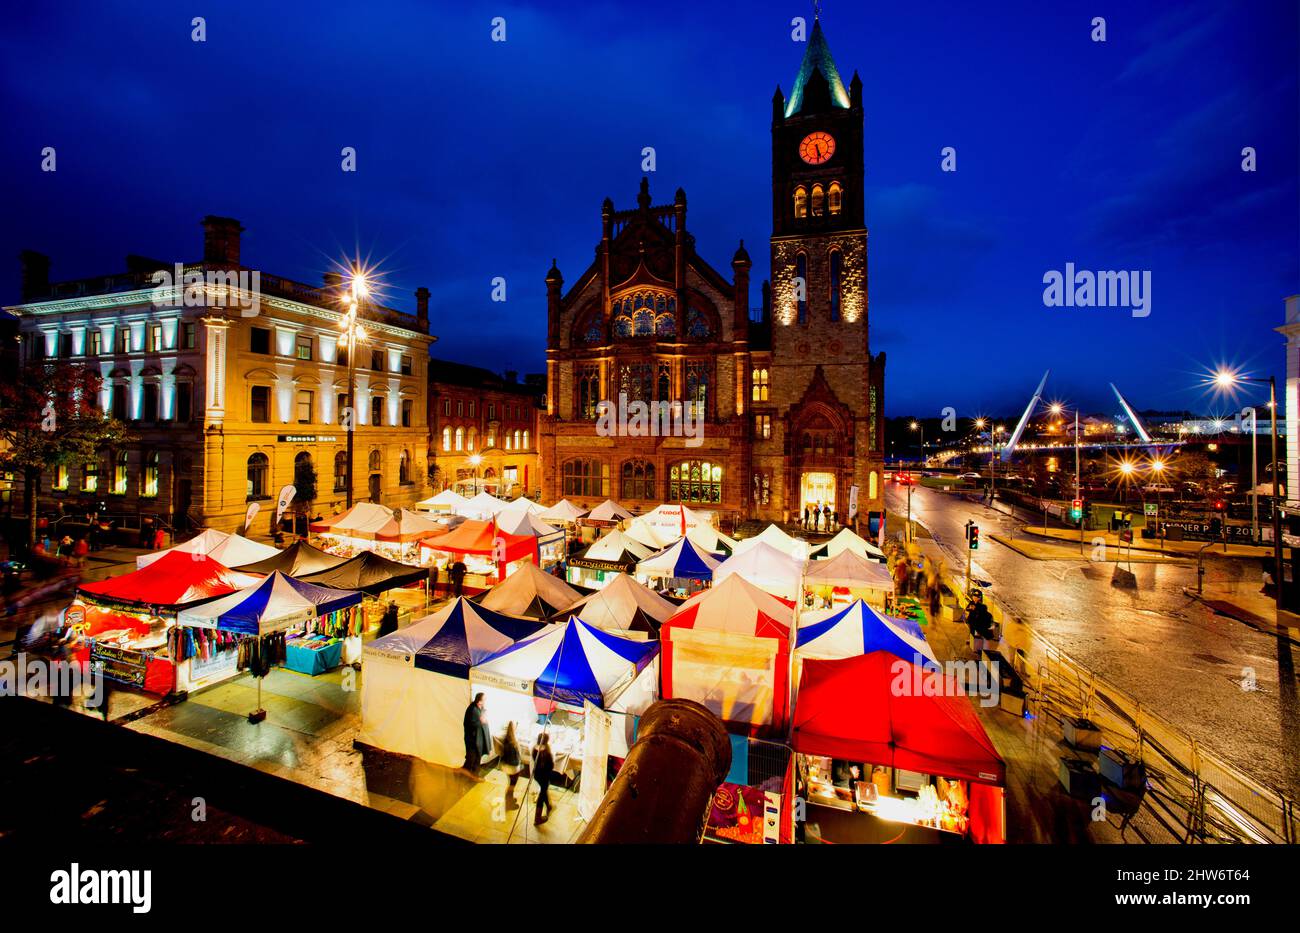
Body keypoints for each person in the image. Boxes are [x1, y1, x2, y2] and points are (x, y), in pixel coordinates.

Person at [462, 692, 491, 779]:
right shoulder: (472, 710)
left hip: (478, 740)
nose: (485, 701)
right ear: (479, 701)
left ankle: (473, 775)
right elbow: (469, 724)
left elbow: (482, 718)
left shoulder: (480, 708)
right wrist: (481, 722)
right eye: (484, 700)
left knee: (476, 758)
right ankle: (464, 776)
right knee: (471, 759)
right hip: (472, 741)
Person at [532, 731, 555, 826]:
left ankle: (548, 806)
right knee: (542, 794)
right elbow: (551, 765)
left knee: (543, 790)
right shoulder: (546, 752)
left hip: (537, 774)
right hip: (545, 776)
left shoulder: (534, 749)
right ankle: (537, 819)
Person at [500, 721, 522, 810]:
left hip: (508, 767)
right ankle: (509, 803)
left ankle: (510, 799)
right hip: (512, 768)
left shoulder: (507, 739)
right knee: (511, 786)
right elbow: (513, 758)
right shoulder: (512, 743)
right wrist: (519, 765)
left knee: (511, 785)